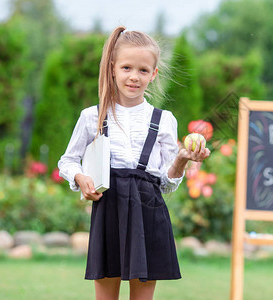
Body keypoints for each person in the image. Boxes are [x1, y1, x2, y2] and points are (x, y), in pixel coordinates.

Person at [58, 26, 210, 300]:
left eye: (142, 70)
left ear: (153, 74)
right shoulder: (92, 116)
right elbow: (67, 161)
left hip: (148, 214)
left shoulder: (164, 120)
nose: (134, 77)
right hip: (108, 211)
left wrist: (182, 160)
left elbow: (167, 183)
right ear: (113, 68)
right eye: (127, 67)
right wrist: (81, 178)